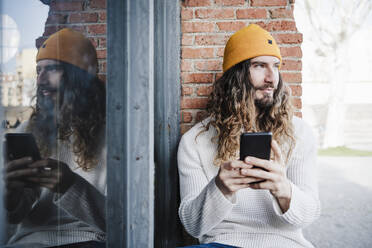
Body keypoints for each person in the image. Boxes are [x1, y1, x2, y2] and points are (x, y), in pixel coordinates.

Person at [177, 24, 320, 248]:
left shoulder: (299, 133)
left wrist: (283, 187)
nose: (272, 77)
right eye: (259, 66)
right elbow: (193, 225)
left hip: (284, 243)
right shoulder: (195, 141)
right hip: (221, 243)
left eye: (276, 66)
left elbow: (309, 214)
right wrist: (220, 188)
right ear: (237, 75)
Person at [3, 28, 106, 247]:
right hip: (29, 242)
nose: (40, 80)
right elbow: (15, 216)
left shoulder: (117, 135)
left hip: (90, 240)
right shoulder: (27, 130)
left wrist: (70, 185)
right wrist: (11, 193)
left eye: (52, 70)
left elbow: (124, 220)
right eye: (38, 70)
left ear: (80, 75)